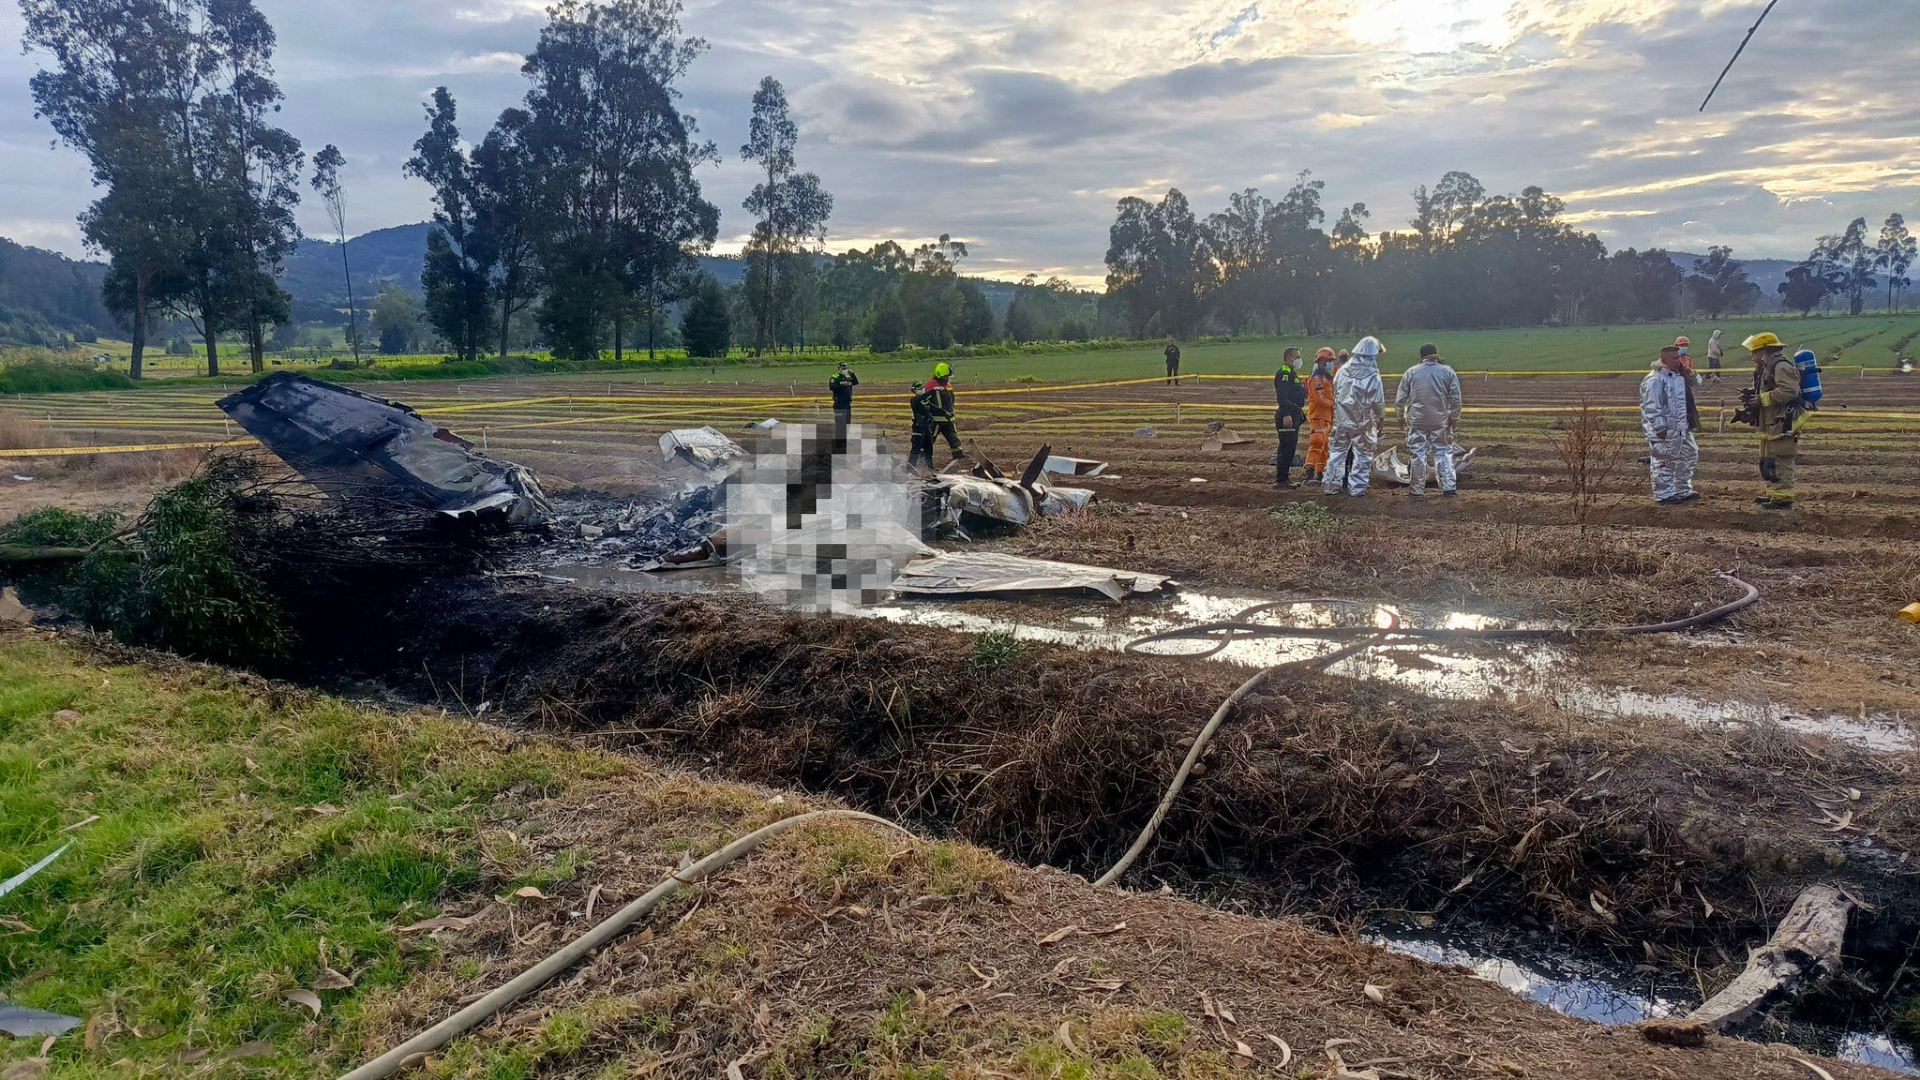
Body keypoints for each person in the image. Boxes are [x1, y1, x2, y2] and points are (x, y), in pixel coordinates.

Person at [1737, 332, 1803, 509]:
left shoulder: (1781, 367)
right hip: (1770, 421)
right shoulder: (1766, 366)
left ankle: (1783, 500)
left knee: (1781, 458)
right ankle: (1774, 494)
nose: (1751, 357)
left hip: (1783, 421)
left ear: (1764, 350)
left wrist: (1761, 399)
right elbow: (1768, 387)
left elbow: (1789, 391)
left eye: (1754, 352)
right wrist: (1752, 394)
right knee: (1769, 461)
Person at [1394, 343, 1462, 496]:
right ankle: (1448, 487)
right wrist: (1454, 417)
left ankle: (1416, 489)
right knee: (1443, 452)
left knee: (1417, 454)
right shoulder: (1448, 372)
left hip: (1417, 420)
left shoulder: (1411, 372)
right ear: (1436, 354)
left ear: (1421, 356)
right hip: (1440, 420)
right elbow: (1455, 398)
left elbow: (1400, 398)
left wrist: (1400, 417)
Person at [1323, 336, 1386, 497]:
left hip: (1341, 421)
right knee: (1363, 455)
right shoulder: (1372, 376)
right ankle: (1357, 489)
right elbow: (1377, 401)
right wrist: (1381, 417)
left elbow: (1335, 392)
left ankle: (1331, 486)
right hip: (1362, 422)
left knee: (1336, 453)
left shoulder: (1342, 371)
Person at [1639, 345, 1699, 504]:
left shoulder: (1678, 376)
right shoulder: (1655, 379)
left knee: (1689, 455)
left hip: (1682, 426)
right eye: (1675, 358)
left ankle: (1682, 489)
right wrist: (1659, 427)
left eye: (1679, 357)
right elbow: (1652, 406)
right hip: (1665, 429)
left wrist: (1689, 373)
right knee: (1664, 460)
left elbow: (1697, 382)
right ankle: (1663, 495)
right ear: (1664, 360)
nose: (1678, 360)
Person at [1272, 347, 1307, 489]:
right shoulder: (1284, 373)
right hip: (1287, 414)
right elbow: (1282, 396)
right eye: (1297, 356)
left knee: (1290, 448)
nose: (1299, 359)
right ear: (1289, 358)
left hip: (1294, 413)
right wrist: (1286, 414)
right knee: (1287, 448)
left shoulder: (1292, 373)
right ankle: (1281, 480)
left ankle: (1284, 479)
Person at [919, 362, 965, 465]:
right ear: (940, 376)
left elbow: (951, 400)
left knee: (953, 438)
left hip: (948, 419)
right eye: (946, 377)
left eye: (948, 377)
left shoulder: (948, 386)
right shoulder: (930, 385)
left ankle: (958, 455)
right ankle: (921, 457)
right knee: (929, 439)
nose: (947, 379)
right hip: (935, 420)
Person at [1304, 348, 1336, 483]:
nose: (1331, 364)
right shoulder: (1317, 378)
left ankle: (1320, 473)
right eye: (1329, 361)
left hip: (1326, 416)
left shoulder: (1325, 377)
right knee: (1317, 442)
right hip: (1318, 416)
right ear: (1322, 361)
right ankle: (1309, 474)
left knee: (1325, 445)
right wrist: (1334, 404)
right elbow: (1319, 398)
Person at [1674, 336, 1701, 433]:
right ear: (1676, 347)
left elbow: (1690, 372)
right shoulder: (1673, 360)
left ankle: (1690, 425)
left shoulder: (1688, 359)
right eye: (1682, 345)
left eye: (1685, 345)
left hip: (1686, 387)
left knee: (1689, 406)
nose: (1684, 347)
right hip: (1675, 387)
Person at [906, 381, 935, 471]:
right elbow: (921, 397)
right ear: (915, 391)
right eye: (920, 389)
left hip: (926, 427)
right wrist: (932, 391)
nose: (922, 390)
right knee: (916, 448)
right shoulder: (914, 400)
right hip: (918, 428)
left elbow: (933, 408)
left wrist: (946, 413)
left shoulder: (926, 401)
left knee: (929, 447)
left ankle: (929, 466)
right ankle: (911, 466)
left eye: (923, 388)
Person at [828, 362, 859, 431]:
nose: (845, 370)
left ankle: (845, 440)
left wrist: (852, 374)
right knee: (840, 423)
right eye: (843, 368)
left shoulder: (848, 376)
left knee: (847, 423)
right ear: (839, 369)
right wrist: (842, 384)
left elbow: (856, 382)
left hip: (847, 403)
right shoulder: (835, 377)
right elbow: (832, 387)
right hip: (839, 403)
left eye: (846, 368)